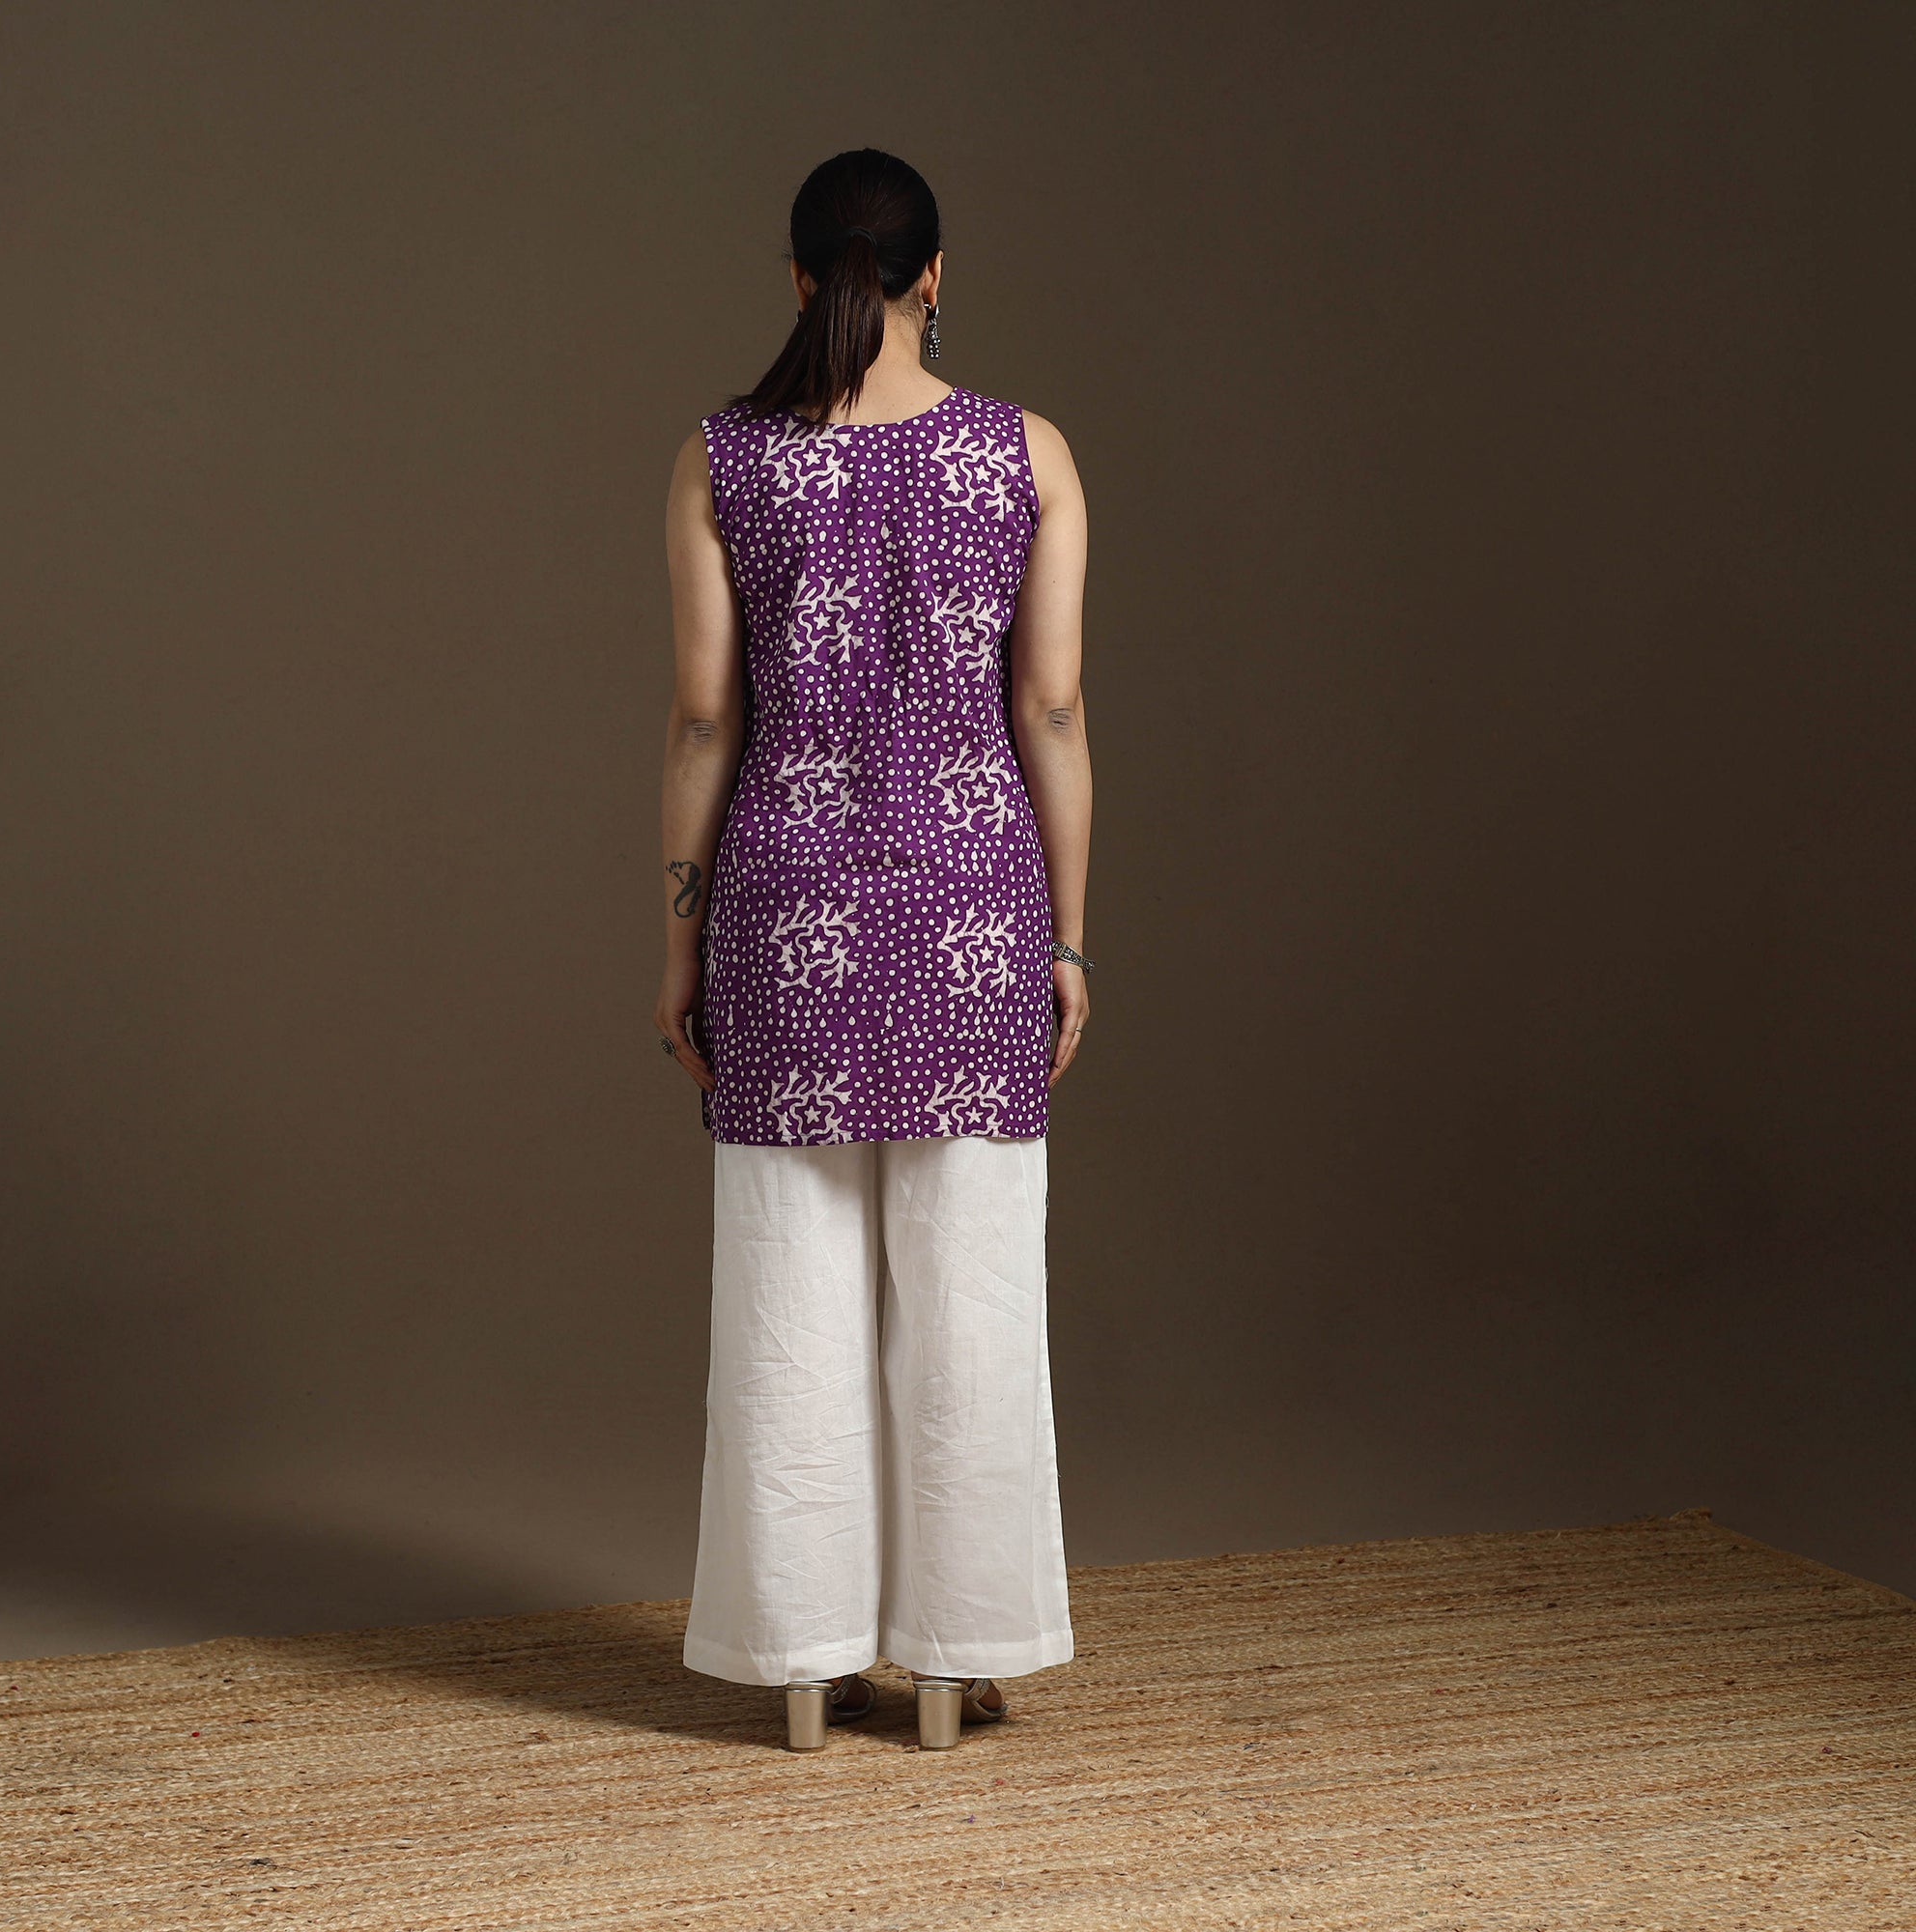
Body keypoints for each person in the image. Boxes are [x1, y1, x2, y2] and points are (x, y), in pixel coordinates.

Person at [654, 148, 1092, 1753]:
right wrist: (1070, 945)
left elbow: (705, 720)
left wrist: (682, 942)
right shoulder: (1023, 453)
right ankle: (957, 1663)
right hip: (973, 905)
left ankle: (798, 1663)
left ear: (795, 279)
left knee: (787, 1292)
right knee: (974, 1294)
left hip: (786, 908)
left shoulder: (723, 459)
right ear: (934, 275)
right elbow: (1052, 708)